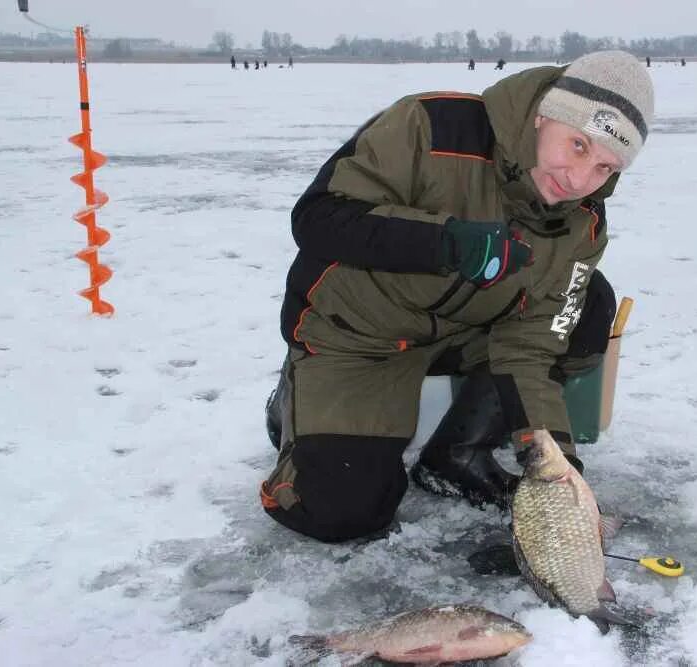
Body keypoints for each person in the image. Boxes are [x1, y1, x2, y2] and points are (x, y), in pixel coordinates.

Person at [260, 51, 655, 543]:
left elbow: (531, 350)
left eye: (604, 166)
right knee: (341, 514)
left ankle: (456, 454)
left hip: (461, 330)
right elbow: (317, 218)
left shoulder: (581, 224)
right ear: (543, 116)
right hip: (359, 336)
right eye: (577, 145)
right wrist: (446, 242)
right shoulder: (431, 127)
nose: (580, 179)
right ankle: (293, 401)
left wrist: (560, 470)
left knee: (586, 305)